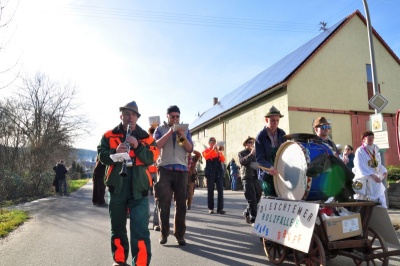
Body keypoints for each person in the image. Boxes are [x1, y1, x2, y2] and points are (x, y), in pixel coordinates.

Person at [98, 101, 159, 266]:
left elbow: (151, 157)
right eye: (126, 113)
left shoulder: (147, 138)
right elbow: (101, 156)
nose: (129, 117)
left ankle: (140, 263)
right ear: (121, 116)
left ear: (137, 118)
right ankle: (119, 260)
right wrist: (114, 152)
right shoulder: (109, 135)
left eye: (133, 114)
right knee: (117, 228)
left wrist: (138, 146)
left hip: (139, 190)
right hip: (117, 189)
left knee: (140, 231)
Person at [154, 105, 193, 246]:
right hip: (165, 169)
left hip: (181, 170)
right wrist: (170, 132)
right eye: (173, 116)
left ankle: (180, 235)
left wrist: (182, 136)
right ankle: (164, 234)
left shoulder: (186, 130)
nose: (175, 119)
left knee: (181, 204)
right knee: (163, 203)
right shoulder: (160, 129)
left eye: (177, 116)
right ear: (167, 117)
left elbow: (189, 149)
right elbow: (157, 146)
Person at [255, 106, 286, 197]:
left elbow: (285, 153)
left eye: (277, 121)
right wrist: (270, 167)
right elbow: (259, 159)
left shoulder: (282, 134)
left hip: (280, 174)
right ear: (266, 120)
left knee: (282, 200)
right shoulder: (260, 136)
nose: (275, 123)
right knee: (271, 201)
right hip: (267, 175)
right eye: (272, 120)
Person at [352, 131, 388, 208]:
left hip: (374, 179)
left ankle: (380, 217)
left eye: (372, 137)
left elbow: (377, 164)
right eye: (369, 138)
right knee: (359, 200)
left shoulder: (375, 149)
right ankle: (357, 217)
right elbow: (359, 166)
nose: (371, 139)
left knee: (380, 198)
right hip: (362, 179)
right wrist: (372, 175)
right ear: (363, 139)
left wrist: (384, 170)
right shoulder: (360, 151)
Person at [238, 136, 262, 224]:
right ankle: (253, 219)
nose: (252, 144)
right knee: (251, 199)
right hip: (246, 177)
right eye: (249, 142)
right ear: (245, 144)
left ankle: (246, 212)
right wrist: (251, 154)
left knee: (258, 196)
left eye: (253, 142)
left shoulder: (256, 153)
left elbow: (257, 163)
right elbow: (242, 162)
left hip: (255, 176)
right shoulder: (241, 153)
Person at [202, 137, 226, 214]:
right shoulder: (206, 151)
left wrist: (219, 153)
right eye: (212, 142)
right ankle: (211, 208)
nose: (213, 143)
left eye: (214, 142)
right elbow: (206, 156)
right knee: (210, 190)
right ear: (209, 143)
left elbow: (223, 159)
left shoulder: (218, 152)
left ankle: (220, 208)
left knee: (220, 190)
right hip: (210, 173)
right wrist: (213, 150)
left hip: (218, 172)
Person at [148, 126, 160, 232]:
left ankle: (156, 222)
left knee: (158, 198)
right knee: (145, 197)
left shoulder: (159, 143)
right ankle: (146, 218)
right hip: (146, 172)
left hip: (158, 172)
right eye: (152, 133)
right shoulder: (146, 143)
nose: (153, 136)